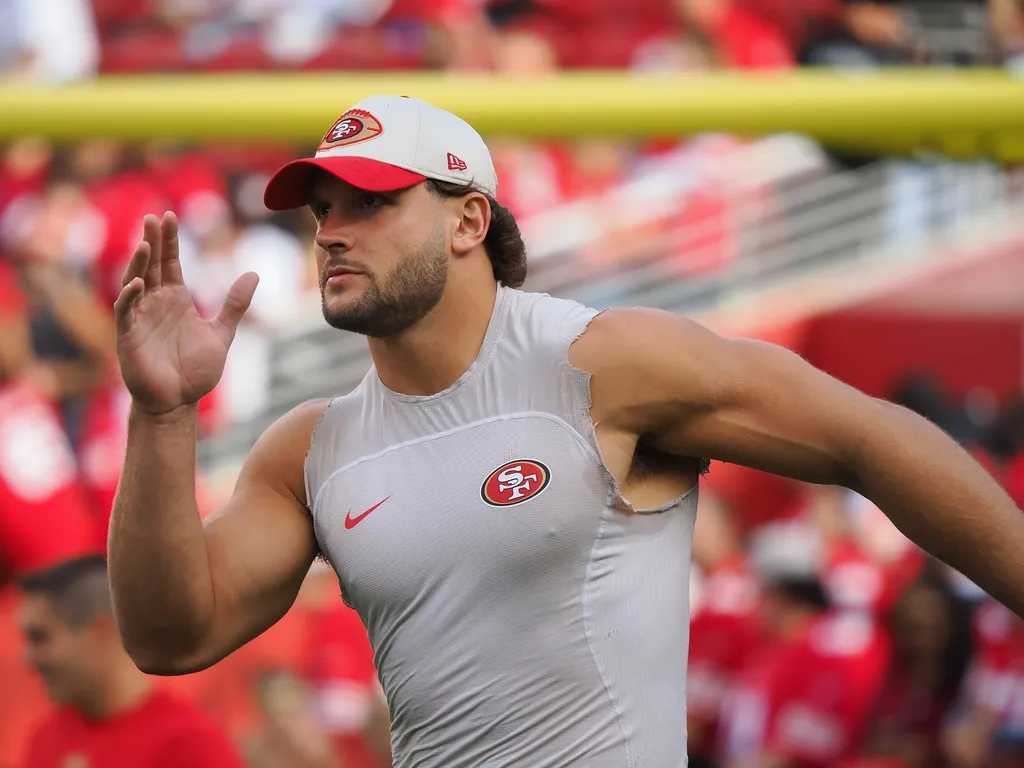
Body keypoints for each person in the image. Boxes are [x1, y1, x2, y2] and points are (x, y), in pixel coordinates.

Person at [106, 94, 1024, 768]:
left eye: (372, 203)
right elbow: (170, 638)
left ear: (470, 220)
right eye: (324, 212)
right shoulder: (310, 449)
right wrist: (161, 416)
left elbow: (870, 438)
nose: (334, 233)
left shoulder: (602, 364)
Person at [17, 555, 244, 768]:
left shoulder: (189, 744)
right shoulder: (46, 737)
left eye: (40, 638)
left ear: (101, 629)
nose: (28, 659)